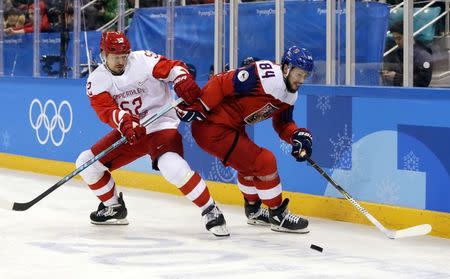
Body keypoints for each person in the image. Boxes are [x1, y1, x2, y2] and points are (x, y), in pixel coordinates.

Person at [75, 31, 229, 237]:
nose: (121, 61)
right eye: (115, 56)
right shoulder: (96, 80)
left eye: (124, 55)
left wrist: (181, 78)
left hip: (161, 126)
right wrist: (125, 123)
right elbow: (106, 110)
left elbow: (174, 68)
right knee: (86, 163)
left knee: (170, 166)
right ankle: (113, 207)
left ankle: (210, 209)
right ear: (103, 55)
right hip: (131, 132)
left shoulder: (143, 60)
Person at [176, 46, 313, 233]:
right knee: (265, 161)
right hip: (213, 128)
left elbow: (283, 124)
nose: (301, 80)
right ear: (287, 68)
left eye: (305, 76)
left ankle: (254, 210)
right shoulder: (264, 75)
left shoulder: (290, 95)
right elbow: (221, 81)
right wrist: (201, 105)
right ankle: (278, 214)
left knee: (248, 166)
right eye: (299, 74)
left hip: (230, 128)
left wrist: (296, 136)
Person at [381, 22, 433, 87]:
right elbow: (402, 69)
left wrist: (396, 76)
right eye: (395, 39)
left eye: (399, 38)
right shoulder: (400, 52)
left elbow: (423, 81)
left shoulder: (422, 55)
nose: (396, 42)